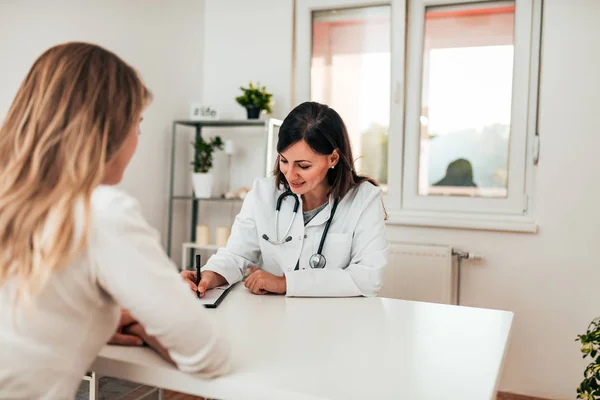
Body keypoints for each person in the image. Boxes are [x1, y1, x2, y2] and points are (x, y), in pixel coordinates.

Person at [0, 42, 230, 399]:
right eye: (137, 123)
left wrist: (99, 320)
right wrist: (142, 323)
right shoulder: (100, 211)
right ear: (109, 130)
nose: (137, 137)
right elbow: (209, 356)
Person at [182, 101, 388, 298]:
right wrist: (210, 275)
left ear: (333, 158)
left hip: (335, 321)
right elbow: (237, 255)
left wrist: (286, 283)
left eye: (303, 165)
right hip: (272, 316)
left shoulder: (365, 199)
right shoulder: (263, 193)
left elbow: (368, 278)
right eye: (284, 160)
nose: (290, 175)